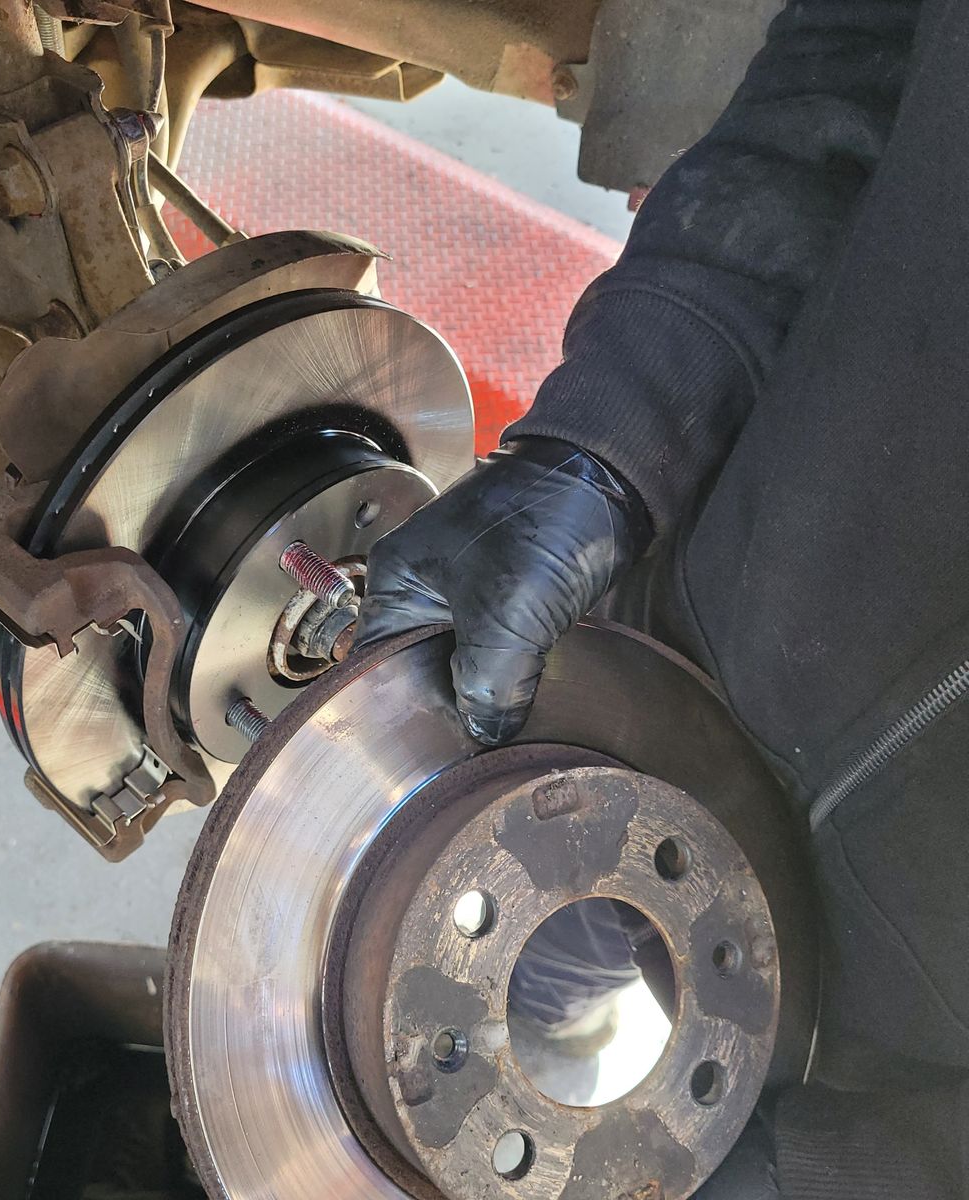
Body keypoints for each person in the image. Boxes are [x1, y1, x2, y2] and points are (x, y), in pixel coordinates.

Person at [358, 0, 969, 1194]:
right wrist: (615, 438)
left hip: (860, 1089)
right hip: (653, 700)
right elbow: (869, 43)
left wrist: (859, 1173)